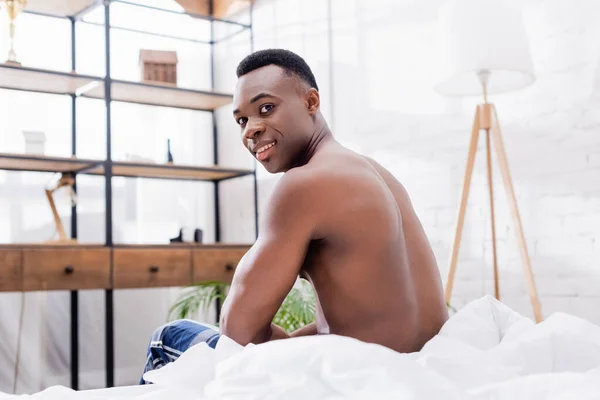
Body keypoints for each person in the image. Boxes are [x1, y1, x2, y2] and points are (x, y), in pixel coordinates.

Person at [140, 49, 448, 383]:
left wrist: (284, 347)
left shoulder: (303, 183)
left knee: (168, 336)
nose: (251, 130)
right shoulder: (382, 176)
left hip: (359, 379)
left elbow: (235, 331)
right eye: (242, 120)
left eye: (266, 108)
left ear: (311, 101)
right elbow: (376, 316)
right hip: (416, 369)